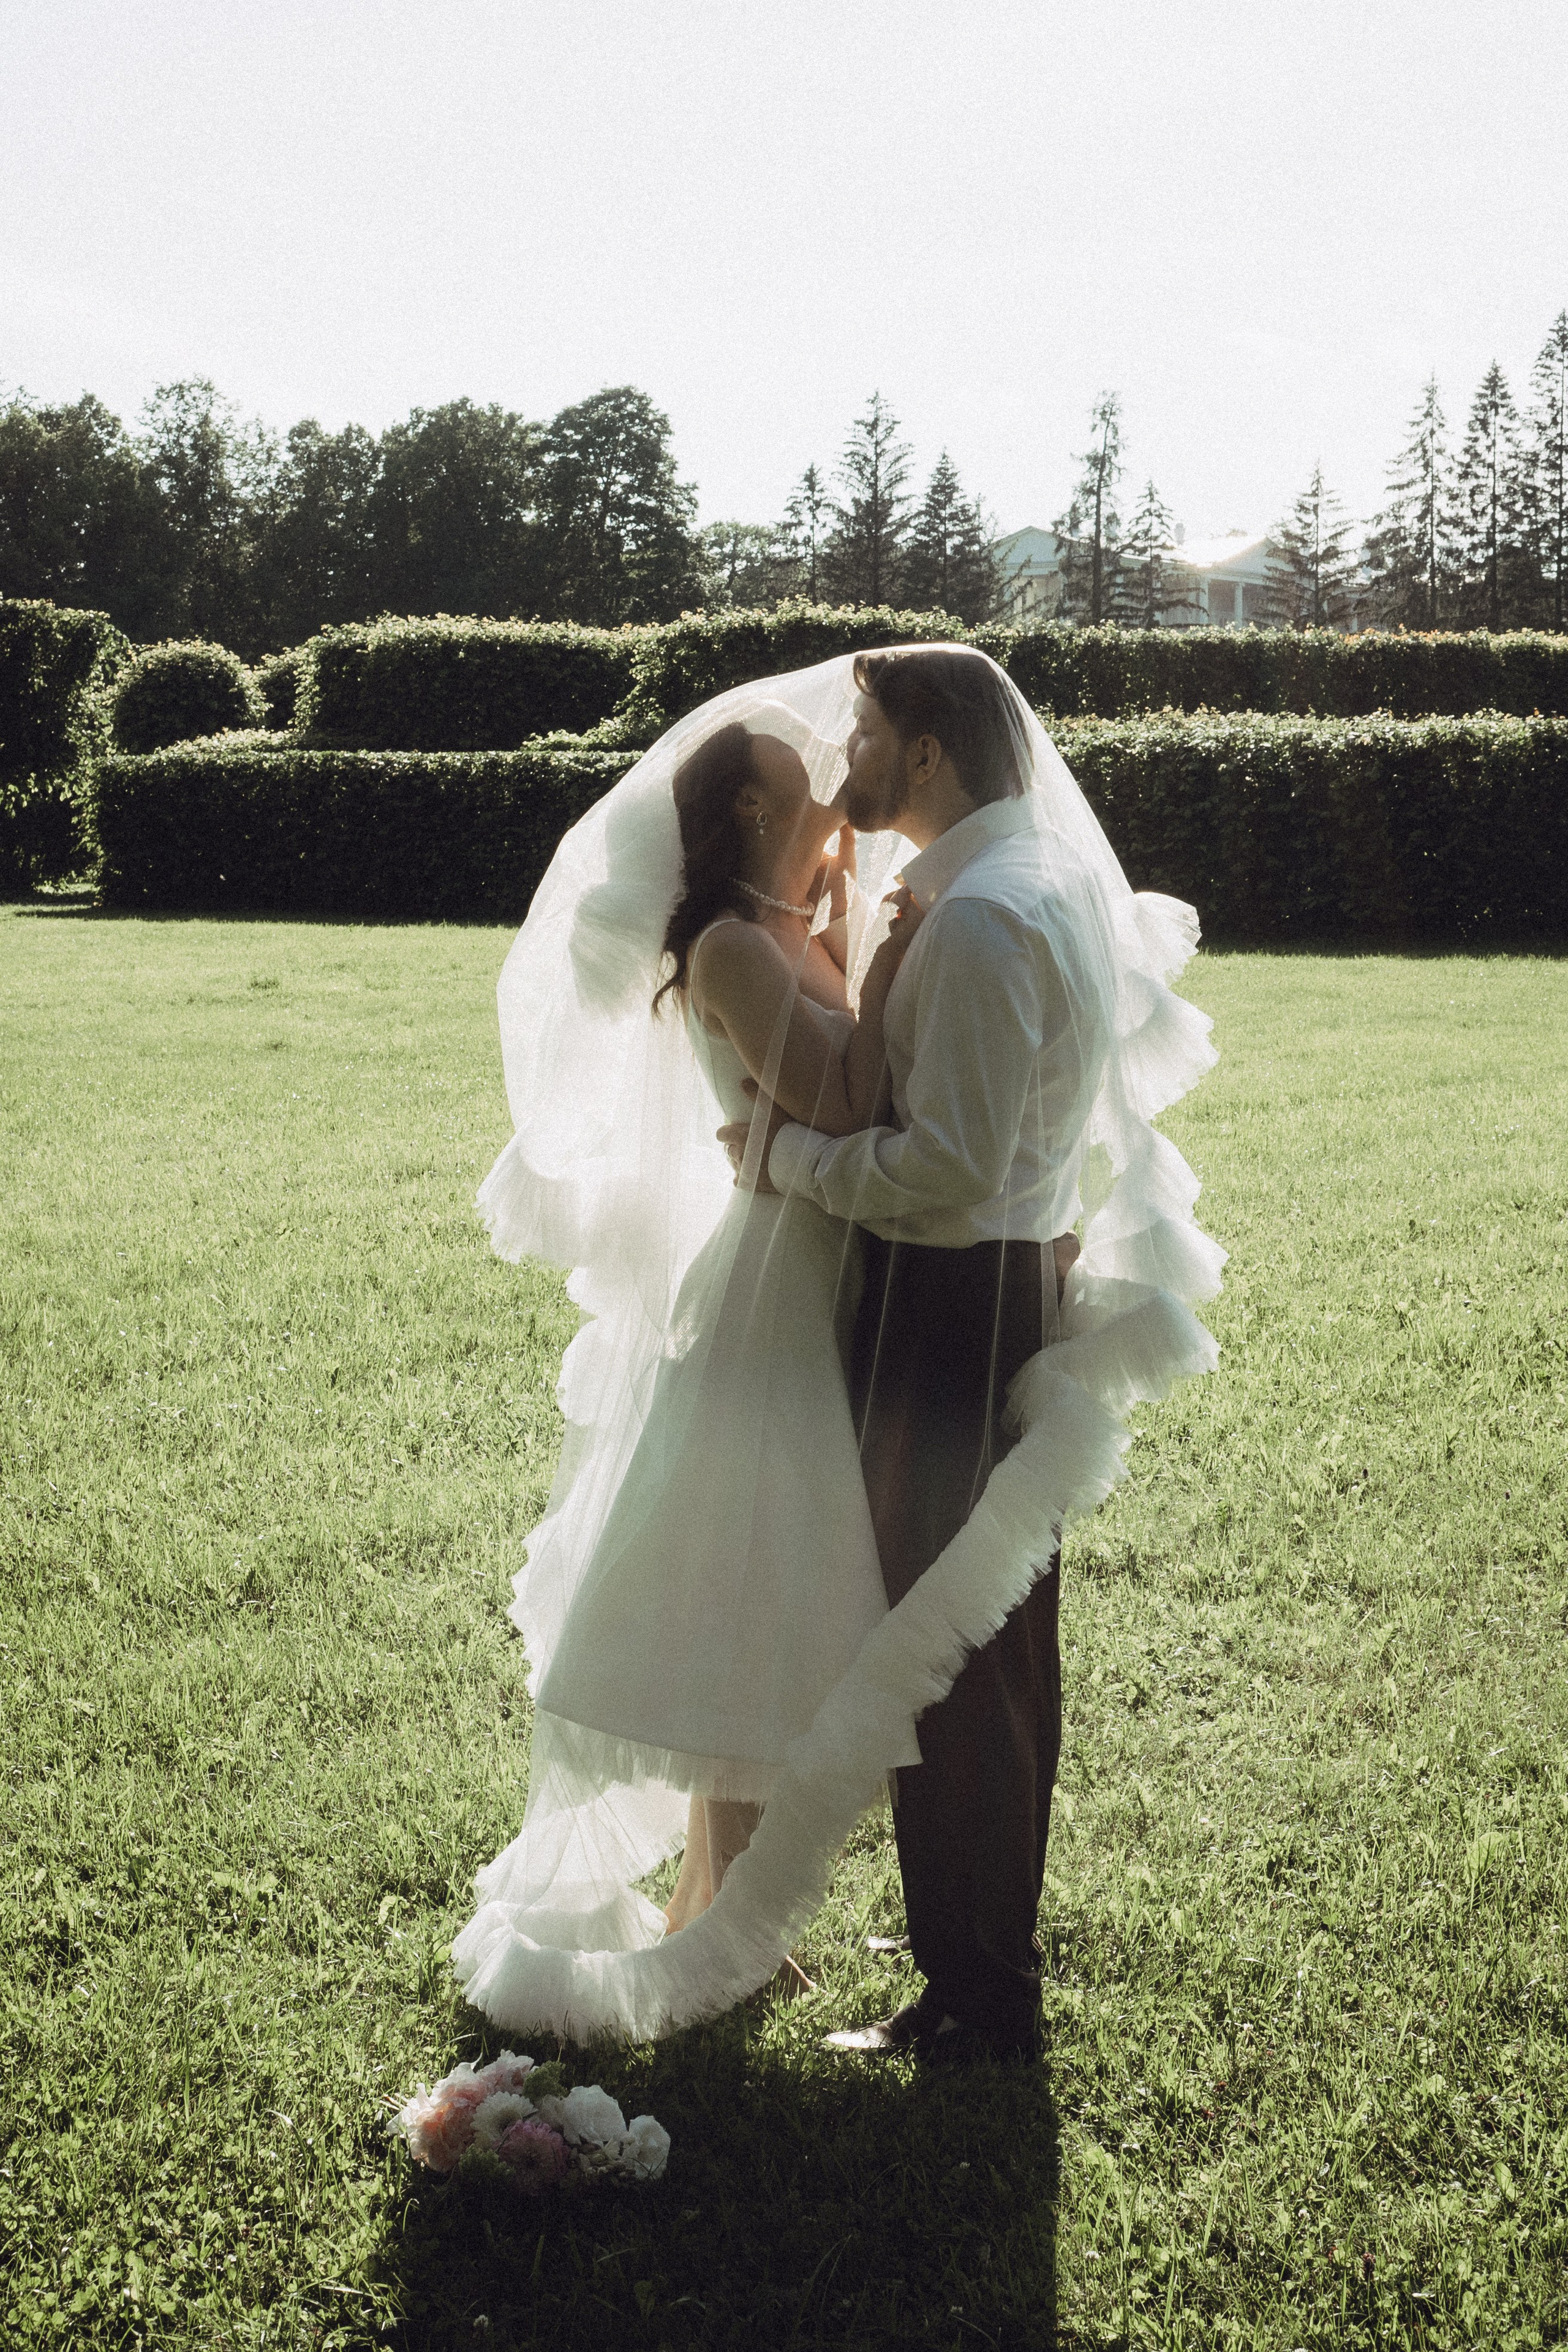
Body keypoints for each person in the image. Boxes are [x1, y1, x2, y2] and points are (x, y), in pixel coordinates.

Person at [451, 649, 1223, 2048]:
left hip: (934, 1288)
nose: (839, 764)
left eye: (860, 738)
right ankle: (909, 1932)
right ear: (750, 819)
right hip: (866, 1286)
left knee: (948, 1640)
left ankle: (969, 1967)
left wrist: (801, 1143)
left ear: (924, 755)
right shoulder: (929, 905)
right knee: (880, 1619)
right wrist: (870, 958)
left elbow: (923, 1142)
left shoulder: (969, 916)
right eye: (814, 767)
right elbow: (894, 1100)